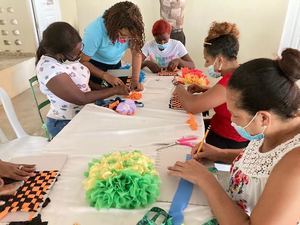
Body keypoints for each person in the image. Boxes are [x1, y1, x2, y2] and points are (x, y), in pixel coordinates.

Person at [168, 48, 300, 224]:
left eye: (236, 115)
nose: (232, 120)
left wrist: (206, 179)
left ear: (263, 118)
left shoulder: (295, 165)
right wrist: (220, 154)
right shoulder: (277, 123)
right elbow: (262, 161)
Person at [36, 22, 129, 138]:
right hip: (66, 122)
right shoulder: (49, 69)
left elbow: (81, 81)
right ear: (60, 55)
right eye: (76, 54)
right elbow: (81, 98)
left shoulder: (69, 57)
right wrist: (115, 91)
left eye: (81, 48)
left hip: (86, 112)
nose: (81, 55)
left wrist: (104, 89)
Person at [173, 22, 248, 149]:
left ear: (220, 60)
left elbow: (192, 106)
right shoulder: (240, 71)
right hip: (217, 129)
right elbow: (227, 97)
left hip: (226, 142)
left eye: (207, 60)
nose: (206, 65)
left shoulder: (231, 81)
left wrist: (178, 86)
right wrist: (206, 90)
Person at [81, 1, 145, 91]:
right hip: (94, 67)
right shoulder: (94, 31)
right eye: (122, 35)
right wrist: (105, 75)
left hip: (115, 65)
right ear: (112, 27)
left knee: (119, 92)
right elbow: (83, 62)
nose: (126, 39)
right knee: (101, 93)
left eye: (130, 37)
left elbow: (136, 53)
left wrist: (135, 80)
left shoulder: (133, 29)